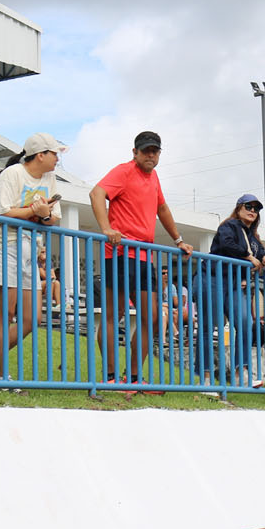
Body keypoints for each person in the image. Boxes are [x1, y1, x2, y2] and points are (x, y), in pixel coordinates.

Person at [89, 131, 194, 385]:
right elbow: (96, 193)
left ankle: (134, 377)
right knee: (114, 314)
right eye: (146, 150)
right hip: (120, 252)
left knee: (153, 317)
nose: (150, 155)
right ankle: (111, 377)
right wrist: (106, 228)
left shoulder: (154, 177)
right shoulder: (124, 171)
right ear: (135, 152)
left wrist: (178, 240)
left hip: (145, 256)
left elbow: (162, 208)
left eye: (155, 151)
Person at [0, 133, 63, 383]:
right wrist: (34, 211)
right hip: (5, 246)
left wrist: (44, 214)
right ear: (40, 155)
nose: (58, 159)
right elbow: (2, 212)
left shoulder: (49, 178)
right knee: (6, 313)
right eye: (54, 153)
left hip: (31, 250)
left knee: (32, 319)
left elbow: (54, 218)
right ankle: (2, 377)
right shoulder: (12, 174)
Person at [201, 194, 265, 386]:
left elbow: (260, 252)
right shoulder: (229, 225)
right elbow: (227, 244)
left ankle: (240, 372)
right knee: (209, 325)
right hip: (212, 277)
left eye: (256, 208)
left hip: (233, 283)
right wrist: (248, 257)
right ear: (239, 208)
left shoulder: (253, 236)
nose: (252, 211)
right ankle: (206, 377)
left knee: (245, 322)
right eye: (248, 206)